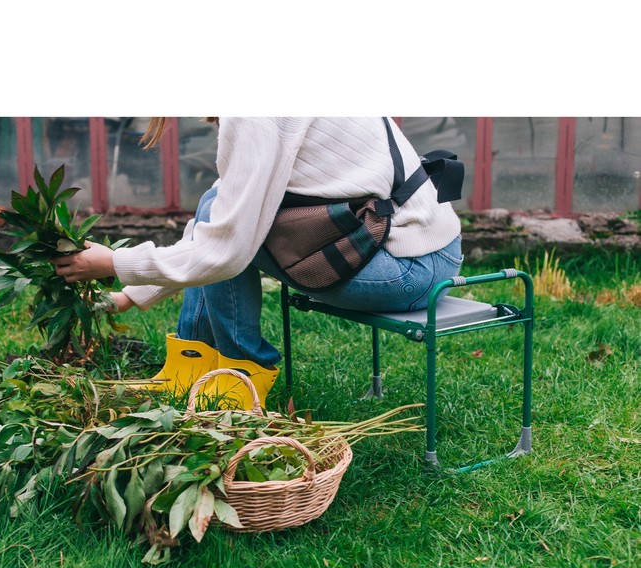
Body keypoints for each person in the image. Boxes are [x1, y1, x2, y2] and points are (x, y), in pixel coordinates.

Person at [52, 117, 463, 408]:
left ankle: (241, 377)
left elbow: (224, 252)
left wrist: (115, 263)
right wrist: (131, 294)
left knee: (230, 240)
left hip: (410, 265)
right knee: (216, 204)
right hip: (412, 245)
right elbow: (223, 210)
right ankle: (190, 367)